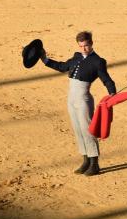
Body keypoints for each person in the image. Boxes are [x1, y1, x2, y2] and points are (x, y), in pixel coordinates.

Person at [41, 31, 116, 176]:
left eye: (86, 46)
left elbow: (106, 79)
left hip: (83, 99)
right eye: (81, 46)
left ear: (91, 44)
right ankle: (86, 161)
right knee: (78, 130)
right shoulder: (76, 57)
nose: (84, 49)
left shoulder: (98, 61)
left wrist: (112, 92)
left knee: (88, 130)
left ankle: (94, 164)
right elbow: (62, 67)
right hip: (71, 98)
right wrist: (45, 59)